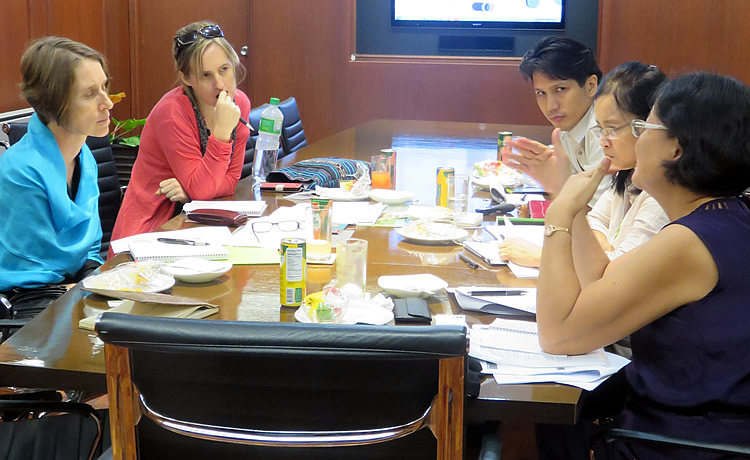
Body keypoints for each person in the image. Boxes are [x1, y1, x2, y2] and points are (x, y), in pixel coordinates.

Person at [536, 73, 750, 458]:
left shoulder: (689, 242)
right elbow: (603, 280)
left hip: (677, 444)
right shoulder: (725, 218)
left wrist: (560, 213)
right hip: (685, 429)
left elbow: (559, 334)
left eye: (642, 126)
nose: (635, 137)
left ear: (676, 148)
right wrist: (573, 209)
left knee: (536, 425)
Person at [498, 62, 670, 272]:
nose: (603, 141)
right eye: (601, 129)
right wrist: (605, 250)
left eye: (613, 128)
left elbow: (613, 275)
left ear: (647, 126)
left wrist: (560, 192)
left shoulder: (662, 197)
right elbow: (593, 220)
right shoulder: (626, 174)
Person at [111, 21, 251, 248]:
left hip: (198, 222)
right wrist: (222, 133)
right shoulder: (172, 113)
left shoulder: (239, 103)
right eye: (206, 75)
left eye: (224, 69)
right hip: (152, 231)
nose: (220, 84)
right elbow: (205, 189)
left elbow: (230, 181)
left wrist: (192, 192)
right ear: (186, 78)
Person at [0, 37, 112, 300]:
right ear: (53, 103)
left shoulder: (84, 157)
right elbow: (29, 279)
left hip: (73, 292)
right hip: (27, 307)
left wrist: (98, 281)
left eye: (104, 87)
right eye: (90, 94)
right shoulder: (20, 172)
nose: (107, 102)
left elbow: (89, 253)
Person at [498, 36, 607, 267]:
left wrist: (543, 258)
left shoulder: (605, 133)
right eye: (541, 93)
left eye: (560, 89)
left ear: (590, 85)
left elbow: (598, 221)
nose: (551, 105)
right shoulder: (567, 129)